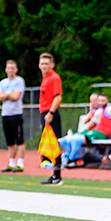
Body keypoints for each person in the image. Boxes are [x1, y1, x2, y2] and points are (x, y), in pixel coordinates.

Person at [42, 93, 111, 185]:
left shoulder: (109, 109)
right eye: (99, 101)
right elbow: (90, 123)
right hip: (95, 131)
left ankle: (71, 159)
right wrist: (82, 131)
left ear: (107, 101)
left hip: (102, 133)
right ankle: (73, 157)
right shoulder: (99, 111)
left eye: (103, 101)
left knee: (76, 139)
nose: (101, 102)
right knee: (65, 139)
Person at [0, 60, 25, 172]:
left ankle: (20, 163)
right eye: (9, 68)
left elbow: (16, 96)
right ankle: (11, 163)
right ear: (6, 69)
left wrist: (5, 94)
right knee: (10, 141)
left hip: (16, 114)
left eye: (13, 68)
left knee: (19, 140)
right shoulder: (3, 82)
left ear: (16, 70)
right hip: (6, 114)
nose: (10, 70)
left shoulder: (19, 81)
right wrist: (8, 94)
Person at [38, 53, 62, 181]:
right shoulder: (45, 78)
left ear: (52, 65)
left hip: (50, 113)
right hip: (45, 112)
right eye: (42, 63)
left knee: (54, 143)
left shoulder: (54, 77)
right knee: (49, 143)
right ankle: (54, 173)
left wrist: (51, 113)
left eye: (46, 63)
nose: (44, 66)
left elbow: (57, 96)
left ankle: (57, 175)